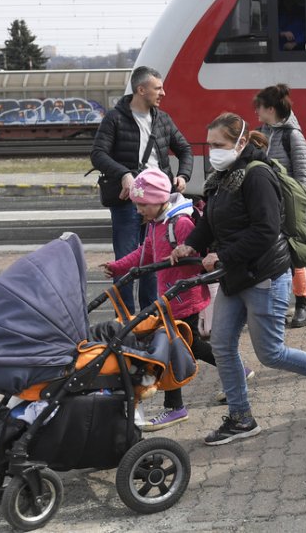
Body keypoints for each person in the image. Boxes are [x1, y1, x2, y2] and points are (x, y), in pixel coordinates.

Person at [170, 113, 306, 446]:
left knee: (271, 353)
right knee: (222, 346)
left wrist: (223, 256)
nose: (212, 151)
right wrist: (191, 245)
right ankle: (241, 418)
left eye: (219, 144)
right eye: (210, 145)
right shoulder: (222, 176)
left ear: (241, 143)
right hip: (236, 275)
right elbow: (211, 221)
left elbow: (266, 231)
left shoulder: (257, 175)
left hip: (264, 276)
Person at [102, 168, 229, 430]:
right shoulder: (155, 224)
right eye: (137, 205)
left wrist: (185, 253)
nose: (138, 210)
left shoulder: (179, 224)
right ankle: (235, 370)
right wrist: (117, 267)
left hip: (185, 299)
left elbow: (197, 257)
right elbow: (144, 254)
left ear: (160, 200)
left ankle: (175, 407)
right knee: (190, 346)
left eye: (143, 205)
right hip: (170, 300)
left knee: (174, 349)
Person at [90, 66, 193, 315]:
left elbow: (185, 149)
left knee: (154, 259)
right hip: (127, 201)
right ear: (141, 89)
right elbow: (98, 154)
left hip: (158, 203)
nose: (163, 93)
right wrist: (124, 174)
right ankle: (124, 319)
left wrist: (183, 175)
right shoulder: (115, 118)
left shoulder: (162, 119)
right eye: (158, 88)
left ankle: (150, 315)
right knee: (126, 260)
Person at [254, 83, 306, 329]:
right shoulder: (261, 132)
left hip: (288, 206)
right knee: (270, 255)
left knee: (294, 255)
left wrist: (300, 208)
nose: (256, 111)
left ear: (270, 109)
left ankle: (302, 304)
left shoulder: (293, 136)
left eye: (259, 107)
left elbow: (302, 176)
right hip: (266, 204)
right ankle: (276, 306)